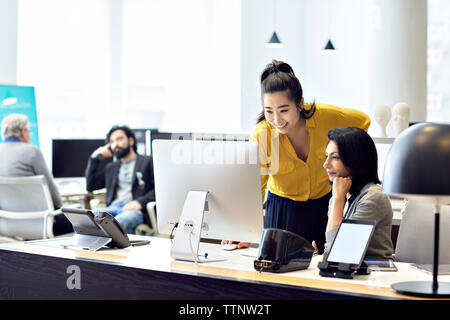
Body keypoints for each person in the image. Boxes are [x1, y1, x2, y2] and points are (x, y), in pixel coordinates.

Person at [248, 60, 371, 254]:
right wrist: (245, 233)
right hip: (282, 211)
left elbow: (363, 121)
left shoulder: (326, 117)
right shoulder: (262, 134)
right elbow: (255, 186)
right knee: (278, 277)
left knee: (322, 271)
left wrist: (344, 162)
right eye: (269, 111)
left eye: (284, 110)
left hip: (323, 208)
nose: (277, 120)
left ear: (300, 103)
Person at [323, 126, 394, 259]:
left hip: (374, 273)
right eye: (326, 156)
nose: (326, 164)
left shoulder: (374, 197)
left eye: (335, 157)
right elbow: (330, 250)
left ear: (356, 160)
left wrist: (338, 199)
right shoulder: (339, 195)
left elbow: (340, 250)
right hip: (348, 272)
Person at [0, 113, 73, 236]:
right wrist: (60, 210)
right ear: (23, 132)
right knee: (85, 223)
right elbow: (51, 189)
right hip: (43, 223)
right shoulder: (32, 151)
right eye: (29, 131)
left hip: (7, 223)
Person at [85, 125, 155, 234]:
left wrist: (140, 201)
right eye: (112, 142)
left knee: (118, 223)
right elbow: (90, 186)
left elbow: (160, 189)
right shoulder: (111, 167)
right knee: (88, 220)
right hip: (112, 208)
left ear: (131, 141)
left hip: (135, 210)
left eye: (119, 139)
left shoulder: (147, 161)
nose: (115, 144)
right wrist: (94, 158)